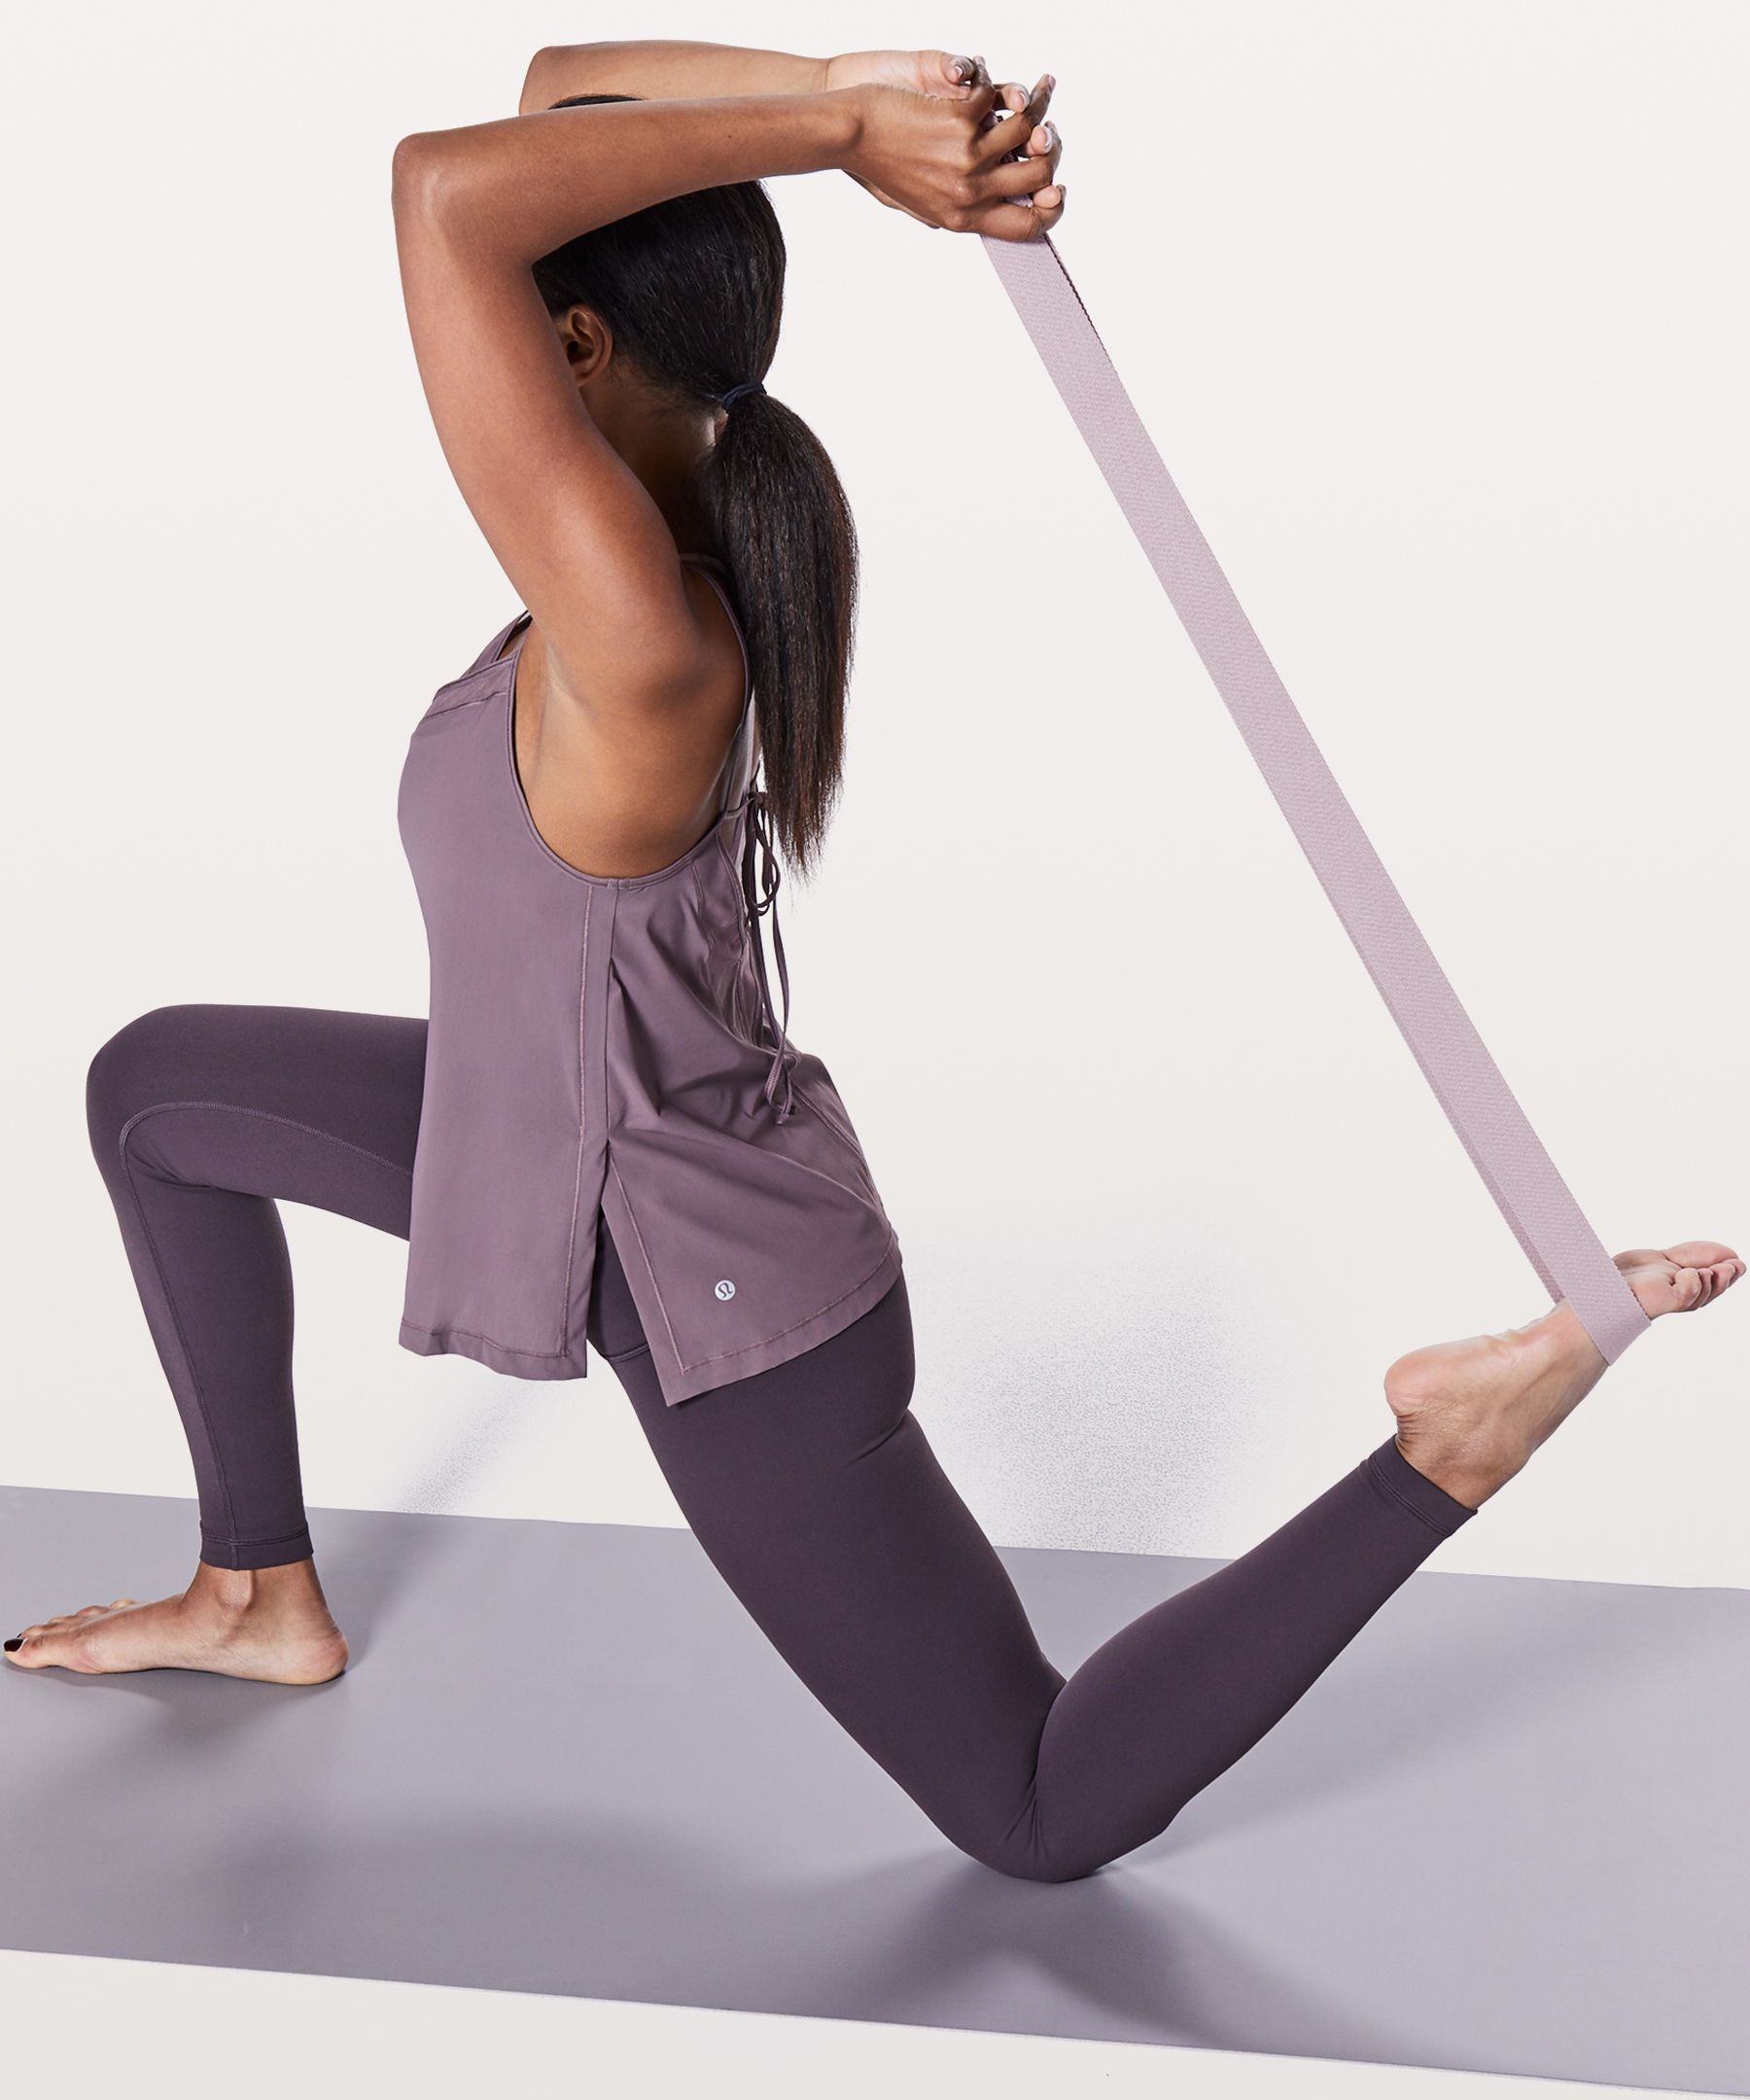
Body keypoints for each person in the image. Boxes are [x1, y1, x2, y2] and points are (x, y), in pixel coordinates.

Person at [7, 41, 1739, 1887]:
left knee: (1035, 1809)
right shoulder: (644, 539)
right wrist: (869, 89)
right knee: (155, 1093)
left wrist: (846, 139)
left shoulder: (634, 632)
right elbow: (557, 84)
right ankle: (257, 1591)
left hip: (720, 1286)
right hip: (552, 1140)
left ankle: (1450, 1448)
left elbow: (442, 190)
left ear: (571, 346)